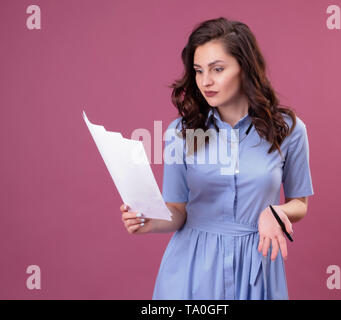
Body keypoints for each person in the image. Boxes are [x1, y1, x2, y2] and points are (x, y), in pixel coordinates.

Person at [120, 17, 314, 300]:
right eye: (198, 71)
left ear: (245, 69)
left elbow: (300, 203)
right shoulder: (180, 132)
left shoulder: (289, 129)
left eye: (217, 69)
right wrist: (151, 221)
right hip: (192, 267)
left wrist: (276, 212)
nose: (205, 81)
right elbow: (177, 210)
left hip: (257, 265)